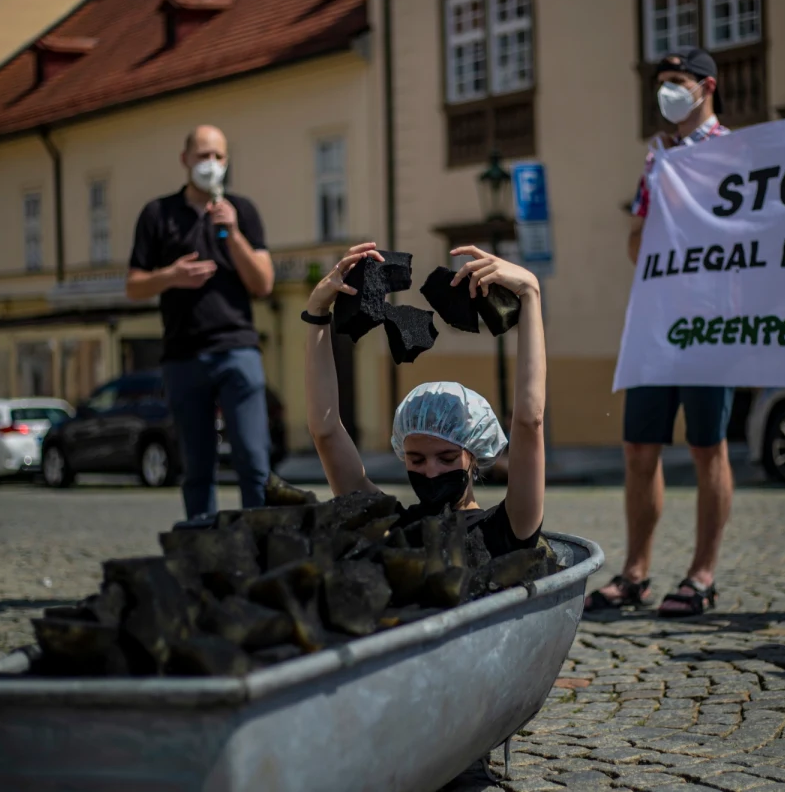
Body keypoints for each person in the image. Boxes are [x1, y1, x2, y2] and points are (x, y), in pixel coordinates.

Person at [585, 48, 734, 617]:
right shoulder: (657, 157)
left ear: (706, 86)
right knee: (639, 449)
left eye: (676, 80)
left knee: (707, 448)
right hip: (656, 321)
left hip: (712, 322)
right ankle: (635, 573)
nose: (666, 91)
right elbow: (636, 241)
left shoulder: (734, 152)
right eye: (662, 81)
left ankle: (702, 574)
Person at [303, 242, 545, 554]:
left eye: (447, 458)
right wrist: (317, 313)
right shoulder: (389, 526)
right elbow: (325, 431)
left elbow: (529, 420)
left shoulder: (507, 528)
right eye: (416, 459)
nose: (431, 471)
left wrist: (530, 293)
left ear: (474, 456)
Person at [126, 124, 275, 518]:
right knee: (196, 467)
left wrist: (233, 233)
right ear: (185, 159)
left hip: (237, 350)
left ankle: (260, 541)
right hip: (184, 355)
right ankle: (201, 542)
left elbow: (263, 283)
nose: (210, 164)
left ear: (227, 161)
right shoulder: (158, 214)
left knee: (253, 459)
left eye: (218, 156)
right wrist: (170, 276)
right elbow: (134, 286)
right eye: (202, 155)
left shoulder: (242, 210)